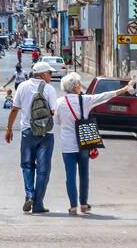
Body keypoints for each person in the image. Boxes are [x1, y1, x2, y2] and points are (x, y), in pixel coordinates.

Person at [56, 73, 132, 215]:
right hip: (84, 143)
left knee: (70, 176)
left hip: (67, 145)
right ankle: (84, 204)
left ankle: (73, 206)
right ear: (75, 86)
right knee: (84, 174)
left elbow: (58, 121)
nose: (80, 86)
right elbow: (104, 96)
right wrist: (124, 89)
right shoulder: (85, 100)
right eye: (78, 84)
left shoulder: (60, 102)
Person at [4, 61, 58, 214]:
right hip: (46, 135)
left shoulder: (22, 86)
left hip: (27, 132)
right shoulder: (49, 89)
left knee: (27, 166)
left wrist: (9, 129)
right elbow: (53, 111)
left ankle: (29, 195)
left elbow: (14, 109)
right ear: (42, 74)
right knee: (43, 170)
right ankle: (38, 204)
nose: (51, 75)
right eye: (49, 73)